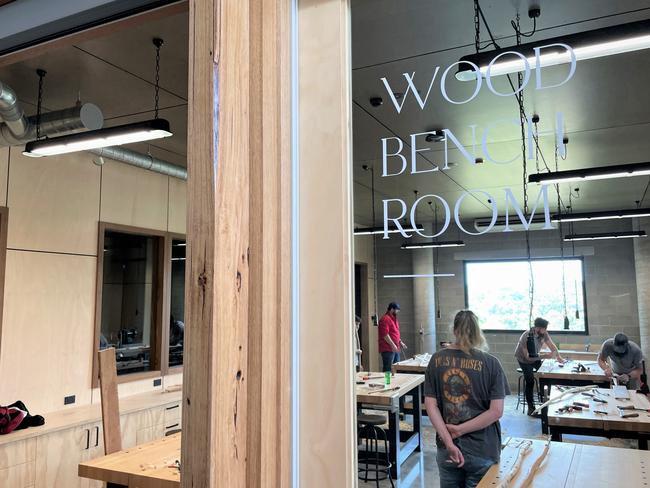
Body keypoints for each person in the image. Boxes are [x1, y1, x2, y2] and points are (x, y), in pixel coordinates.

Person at [424, 310, 509, 488]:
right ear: (478, 332)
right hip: (482, 449)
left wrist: (449, 440)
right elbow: (496, 412)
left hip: (447, 448)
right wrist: (460, 430)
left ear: (454, 331)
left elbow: (431, 406)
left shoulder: (436, 359)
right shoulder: (492, 363)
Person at [514, 317, 565, 416]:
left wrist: (559, 356)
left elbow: (552, 346)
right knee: (530, 381)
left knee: (545, 375)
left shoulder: (544, 334)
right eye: (543, 329)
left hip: (536, 357)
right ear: (537, 328)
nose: (545, 331)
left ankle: (545, 404)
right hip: (524, 360)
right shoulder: (526, 336)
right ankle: (531, 409)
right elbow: (528, 357)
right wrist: (546, 356)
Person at [378, 302, 407, 372]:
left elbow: (395, 333)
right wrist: (393, 345)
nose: (397, 312)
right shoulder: (385, 319)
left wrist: (401, 342)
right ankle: (387, 382)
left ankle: (395, 382)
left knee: (396, 368)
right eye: (397, 310)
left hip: (395, 347)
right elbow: (385, 335)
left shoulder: (394, 319)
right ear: (392, 309)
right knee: (388, 368)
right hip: (388, 349)